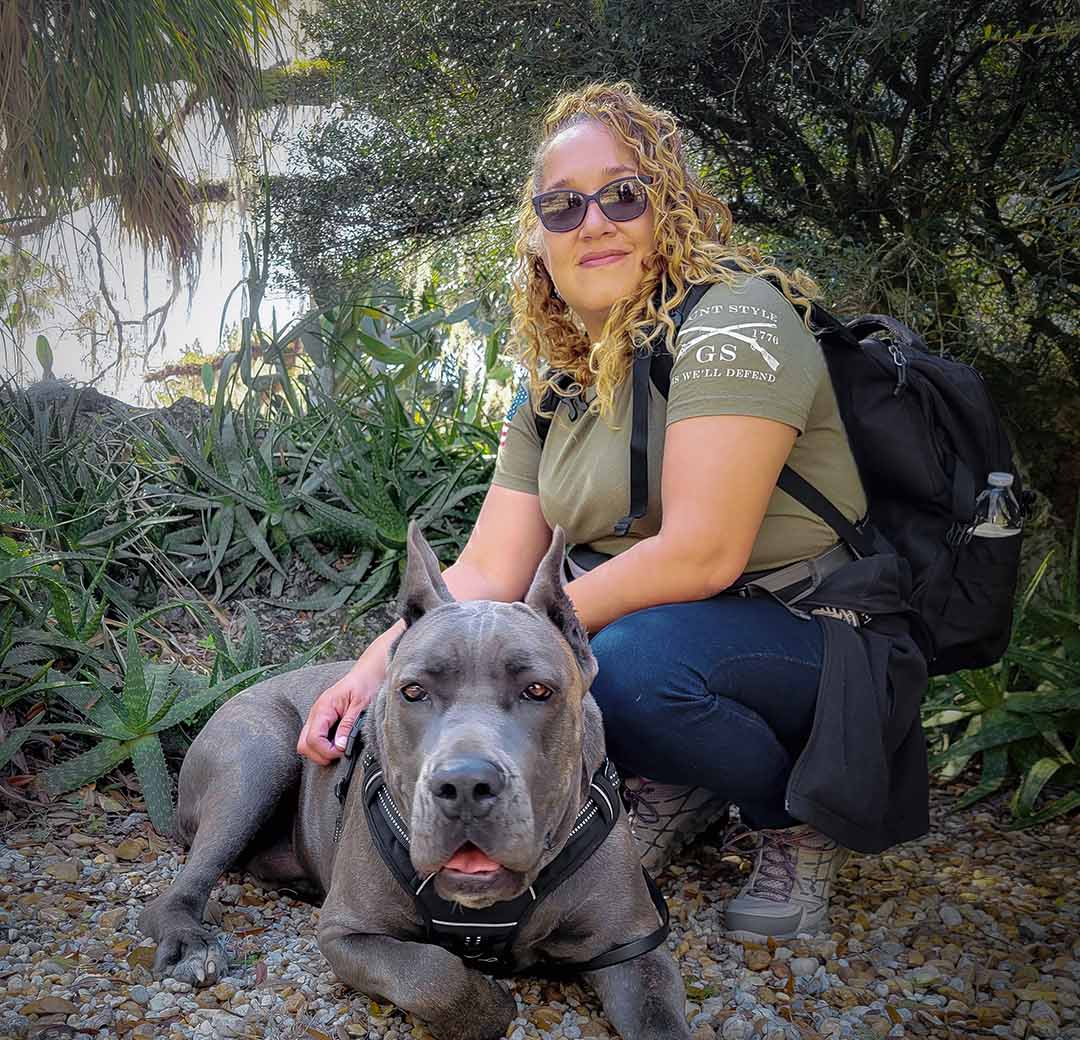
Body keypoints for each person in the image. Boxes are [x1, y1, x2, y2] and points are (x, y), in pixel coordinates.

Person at [297, 81, 929, 942]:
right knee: (565, 669)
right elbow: (486, 572)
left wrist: (524, 645)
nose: (591, 222)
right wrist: (376, 667)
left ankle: (793, 816)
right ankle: (684, 772)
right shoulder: (561, 384)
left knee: (611, 673)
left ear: (670, 208)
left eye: (622, 194)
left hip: (816, 630)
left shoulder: (736, 319)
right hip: (682, 635)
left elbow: (702, 553)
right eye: (561, 207)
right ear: (539, 242)